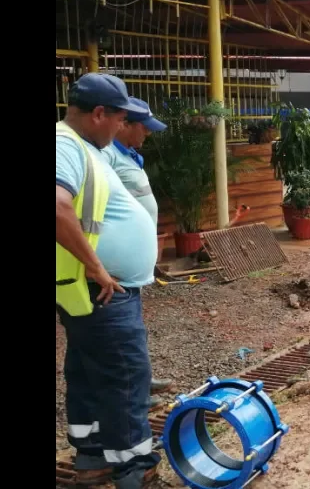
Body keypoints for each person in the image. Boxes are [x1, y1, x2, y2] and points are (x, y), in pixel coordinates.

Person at [56, 73, 161, 488]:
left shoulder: (84, 146)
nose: (121, 128)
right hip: (101, 288)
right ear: (99, 113)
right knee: (125, 375)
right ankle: (134, 467)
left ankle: (93, 460)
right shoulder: (64, 144)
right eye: (118, 119)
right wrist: (95, 265)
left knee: (89, 369)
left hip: (92, 291)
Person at [103, 97, 173, 407]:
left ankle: (142, 381)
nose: (147, 134)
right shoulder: (105, 157)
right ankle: (134, 398)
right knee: (121, 338)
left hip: (130, 268)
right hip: (111, 270)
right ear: (123, 124)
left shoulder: (127, 153)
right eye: (143, 128)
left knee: (134, 328)